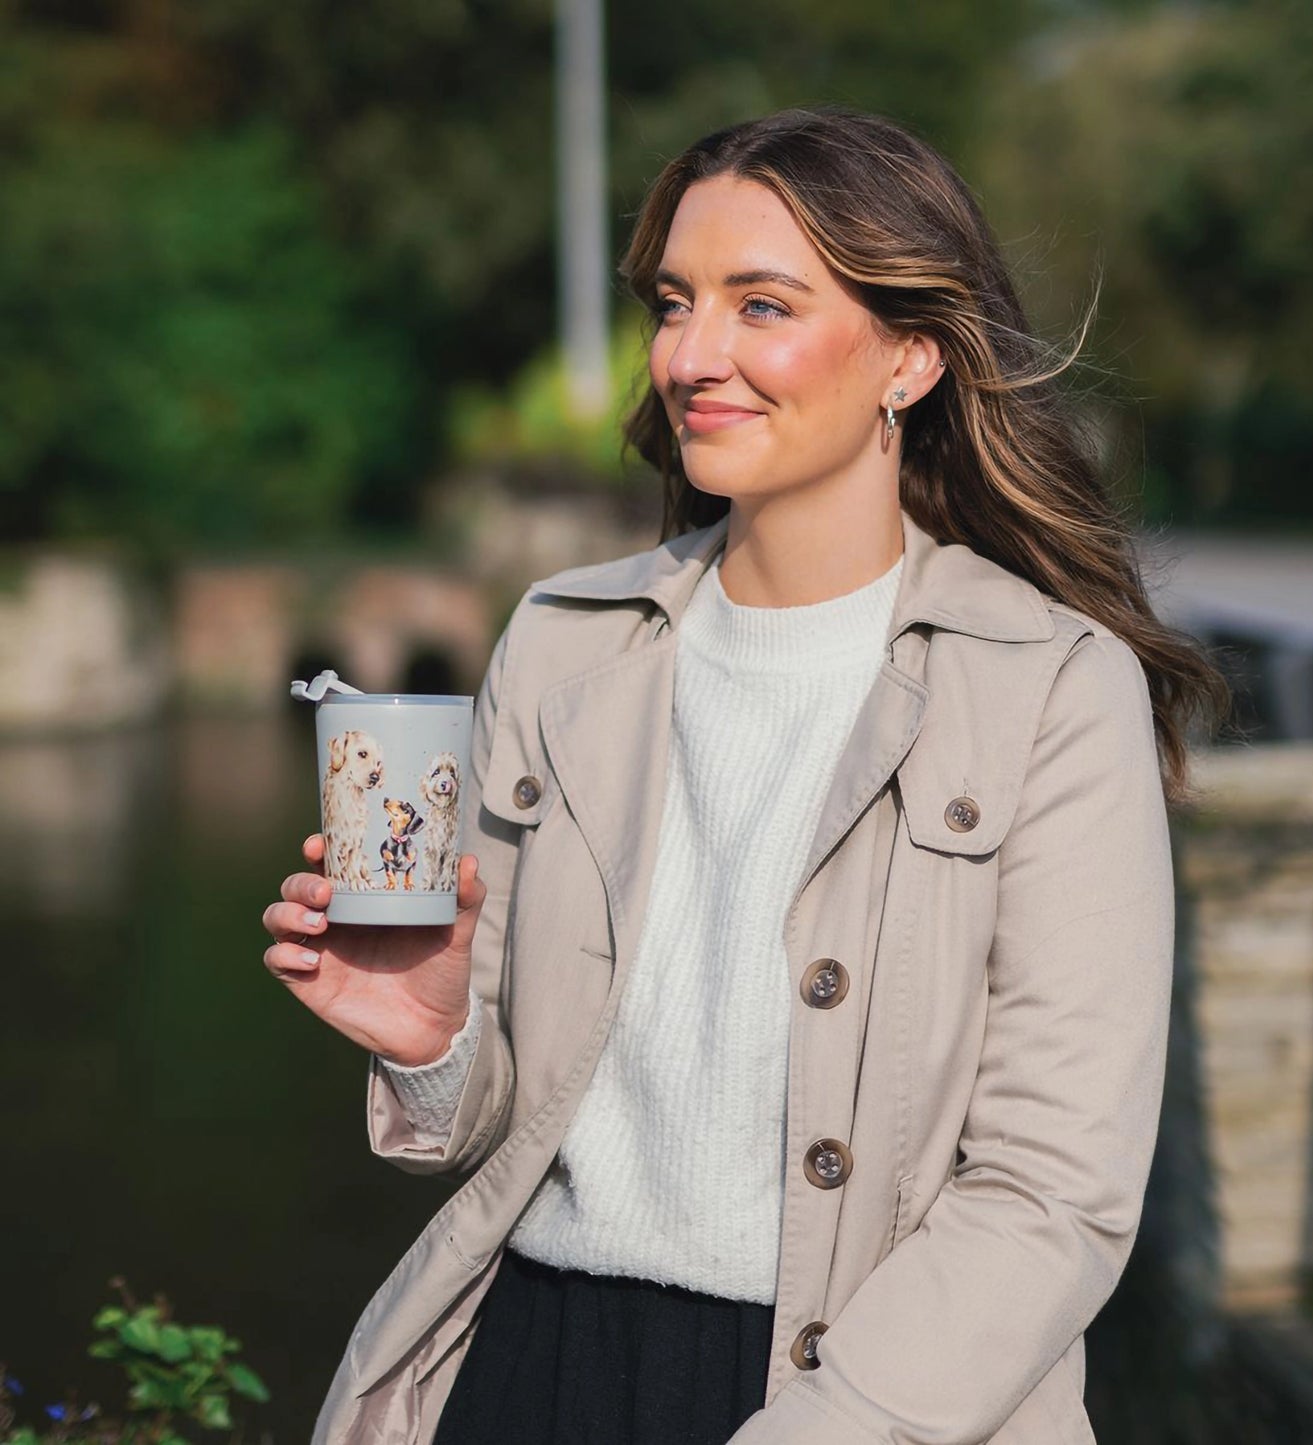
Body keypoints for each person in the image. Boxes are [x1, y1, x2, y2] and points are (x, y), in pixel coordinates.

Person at [263, 107, 1225, 1444]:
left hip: (872, 1399)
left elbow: (1051, 1198)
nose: (690, 357)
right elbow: (500, 1113)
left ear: (907, 359)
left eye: (758, 305)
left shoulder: (1050, 689)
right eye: (673, 303)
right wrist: (432, 1041)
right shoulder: (560, 640)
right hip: (528, 1364)